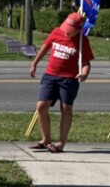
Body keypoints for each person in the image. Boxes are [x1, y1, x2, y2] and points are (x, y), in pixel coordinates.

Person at [29, 11, 93, 153]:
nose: (66, 33)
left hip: (69, 79)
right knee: (41, 106)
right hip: (50, 75)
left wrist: (83, 74)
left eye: (70, 31)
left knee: (66, 108)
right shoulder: (56, 32)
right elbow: (45, 47)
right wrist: (35, 63)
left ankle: (61, 143)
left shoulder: (82, 42)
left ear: (79, 30)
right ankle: (46, 139)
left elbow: (86, 63)